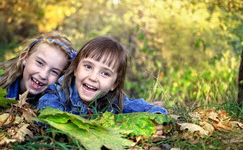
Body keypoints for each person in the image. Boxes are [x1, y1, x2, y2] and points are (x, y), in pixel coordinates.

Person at [37, 36, 167, 116]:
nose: (93, 77)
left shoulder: (115, 101)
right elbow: (47, 115)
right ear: (76, 69)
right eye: (88, 67)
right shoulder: (58, 94)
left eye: (105, 73)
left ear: (114, 84)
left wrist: (156, 116)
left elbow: (145, 108)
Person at [0, 31, 77, 106]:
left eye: (54, 71)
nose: (43, 75)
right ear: (25, 58)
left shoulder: (54, 100)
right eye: (40, 63)